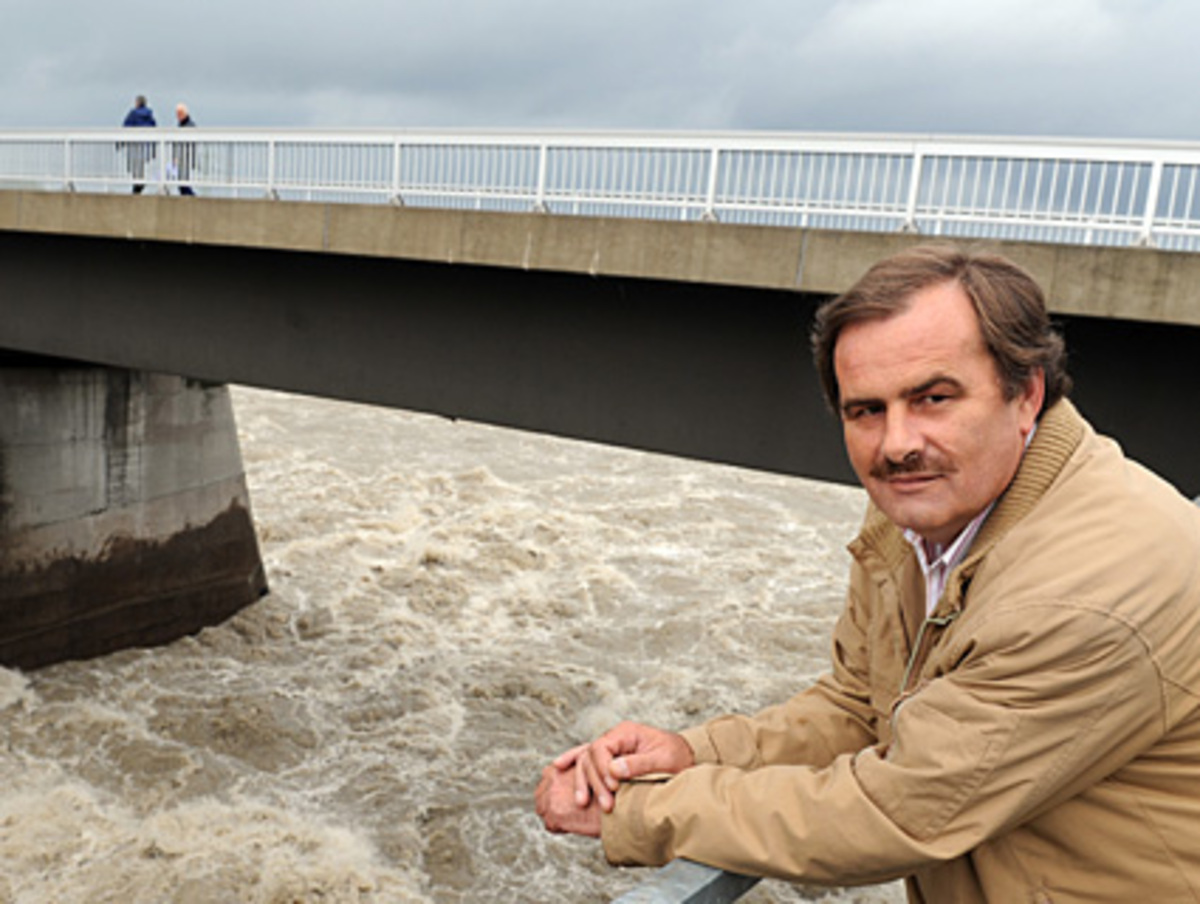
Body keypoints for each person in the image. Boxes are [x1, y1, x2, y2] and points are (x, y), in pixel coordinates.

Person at [535, 243, 1200, 902]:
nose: (898, 444)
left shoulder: (1086, 588)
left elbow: (900, 809)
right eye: (867, 410)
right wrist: (695, 753)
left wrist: (641, 812)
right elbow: (861, 704)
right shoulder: (921, 517)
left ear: (1024, 396)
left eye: (934, 398)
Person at [120, 95, 156, 194]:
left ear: (138, 103)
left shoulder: (133, 114)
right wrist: (153, 148)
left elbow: (127, 127)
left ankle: (137, 186)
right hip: (145, 146)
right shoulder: (150, 116)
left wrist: (120, 142)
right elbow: (154, 129)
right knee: (140, 166)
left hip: (134, 145)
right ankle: (139, 185)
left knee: (134, 167)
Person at [172, 103, 197, 196]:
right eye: (177, 114)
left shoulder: (190, 126)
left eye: (180, 113)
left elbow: (190, 144)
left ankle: (192, 198)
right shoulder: (180, 125)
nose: (178, 116)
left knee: (183, 183)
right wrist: (175, 157)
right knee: (181, 183)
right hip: (180, 158)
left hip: (186, 158)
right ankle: (189, 197)